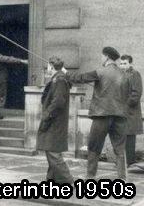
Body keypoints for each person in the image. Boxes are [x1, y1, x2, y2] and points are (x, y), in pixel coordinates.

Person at [66, 46, 128, 180]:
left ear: (106, 57)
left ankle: (90, 177)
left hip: (101, 115)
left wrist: (65, 72)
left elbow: (80, 78)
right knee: (120, 149)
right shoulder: (124, 74)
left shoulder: (100, 72)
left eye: (101, 56)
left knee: (94, 147)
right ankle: (122, 178)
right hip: (120, 116)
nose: (100, 58)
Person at [37, 56, 74, 184]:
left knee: (53, 152)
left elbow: (58, 102)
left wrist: (47, 115)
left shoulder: (59, 79)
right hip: (55, 121)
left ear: (51, 66)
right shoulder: (58, 78)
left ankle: (68, 182)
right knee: (51, 150)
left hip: (55, 122)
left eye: (48, 65)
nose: (47, 68)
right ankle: (51, 180)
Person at [119, 54, 142, 166]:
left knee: (129, 137)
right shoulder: (121, 75)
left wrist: (125, 106)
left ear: (130, 64)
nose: (122, 66)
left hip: (130, 112)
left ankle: (129, 162)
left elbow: (136, 94)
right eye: (121, 63)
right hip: (121, 111)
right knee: (122, 136)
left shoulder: (134, 74)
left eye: (125, 63)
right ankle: (123, 162)